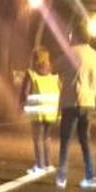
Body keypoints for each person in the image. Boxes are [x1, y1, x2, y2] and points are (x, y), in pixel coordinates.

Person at [55, 21, 96, 190]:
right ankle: (91, 177)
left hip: (71, 102)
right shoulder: (94, 54)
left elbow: (54, 68)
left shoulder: (70, 52)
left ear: (73, 35)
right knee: (85, 140)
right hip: (88, 102)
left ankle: (61, 178)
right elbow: (93, 79)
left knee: (66, 141)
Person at [20, 47, 60, 175]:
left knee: (37, 138)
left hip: (37, 111)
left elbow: (25, 92)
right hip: (51, 111)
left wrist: (22, 105)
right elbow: (60, 91)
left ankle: (39, 165)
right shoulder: (53, 76)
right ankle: (48, 164)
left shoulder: (31, 74)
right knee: (47, 138)